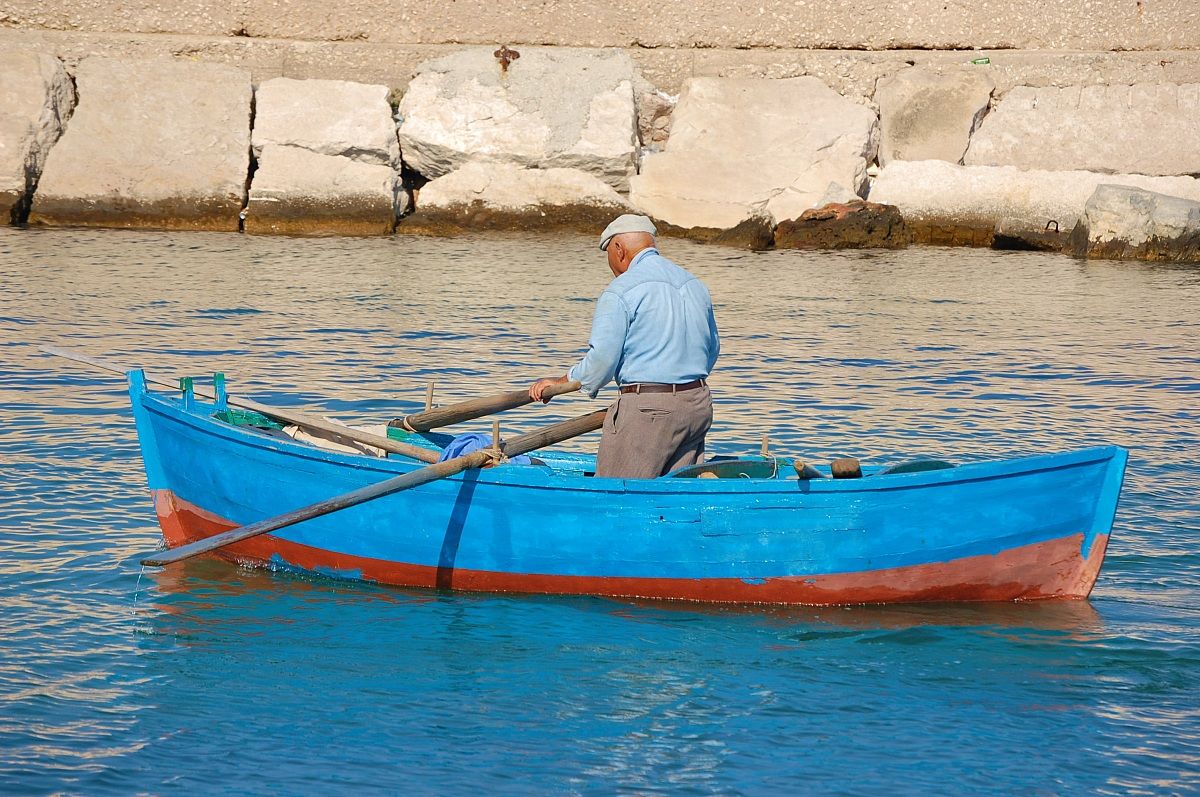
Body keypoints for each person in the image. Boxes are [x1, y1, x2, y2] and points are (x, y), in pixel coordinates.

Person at [529, 214, 720, 478]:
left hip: (649, 411)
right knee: (674, 491)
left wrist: (560, 383)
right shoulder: (693, 283)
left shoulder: (622, 289)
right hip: (697, 403)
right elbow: (712, 349)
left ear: (619, 249)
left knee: (616, 490)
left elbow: (602, 361)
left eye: (608, 253)